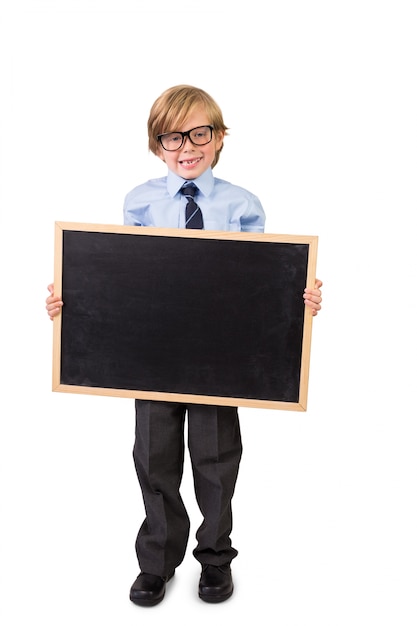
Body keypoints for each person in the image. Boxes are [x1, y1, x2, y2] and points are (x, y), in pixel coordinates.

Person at [46, 85, 323, 606]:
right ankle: (156, 563)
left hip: (221, 362)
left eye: (200, 133)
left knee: (216, 463)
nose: (187, 146)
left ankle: (216, 559)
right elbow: (124, 277)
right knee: (154, 461)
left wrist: (299, 299)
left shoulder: (242, 204)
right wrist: (73, 302)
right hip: (153, 358)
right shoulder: (139, 202)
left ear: (218, 139)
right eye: (173, 137)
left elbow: (260, 283)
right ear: (157, 145)